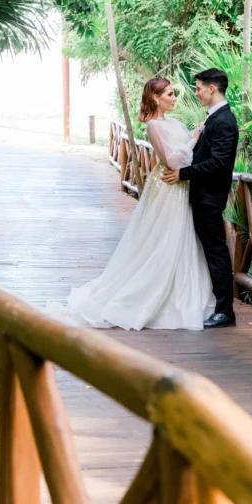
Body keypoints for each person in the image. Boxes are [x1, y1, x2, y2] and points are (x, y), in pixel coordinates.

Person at [46, 77, 215, 330]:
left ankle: (181, 293)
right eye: (169, 94)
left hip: (181, 186)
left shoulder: (174, 123)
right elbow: (172, 160)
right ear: (156, 98)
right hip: (168, 186)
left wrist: (194, 136)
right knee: (163, 238)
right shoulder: (154, 127)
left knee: (181, 238)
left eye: (173, 93)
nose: (174, 97)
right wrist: (194, 138)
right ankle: (147, 296)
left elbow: (184, 152)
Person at [162, 68, 239, 329]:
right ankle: (213, 304)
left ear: (212, 88)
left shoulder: (225, 121)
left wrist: (183, 173)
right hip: (203, 194)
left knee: (216, 252)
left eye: (198, 88)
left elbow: (218, 164)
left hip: (210, 197)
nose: (196, 93)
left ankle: (225, 310)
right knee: (210, 251)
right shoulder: (213, 118)